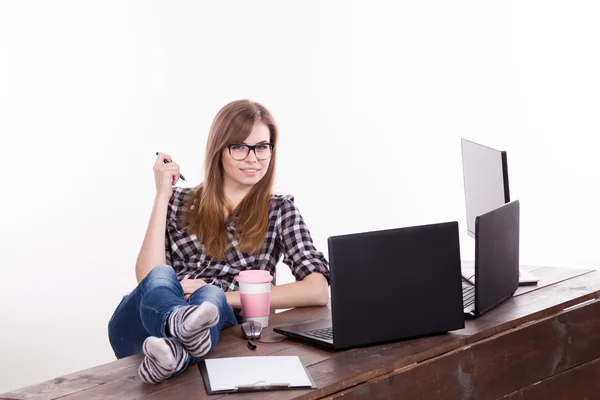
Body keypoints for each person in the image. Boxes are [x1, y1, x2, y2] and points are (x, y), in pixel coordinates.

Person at [107, 100, 330, 384]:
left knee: (210, 297)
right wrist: (162, 195)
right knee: (161, 276)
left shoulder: (279, 210)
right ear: (219, 151)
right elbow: (147, 278)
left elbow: (317, 290)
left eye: (262, 147)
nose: (253, 158)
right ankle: (177, 323)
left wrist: (224, 299)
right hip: (144, 324)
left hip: (214, 325)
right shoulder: (178, 202)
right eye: (239, 147)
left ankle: (175, 353)